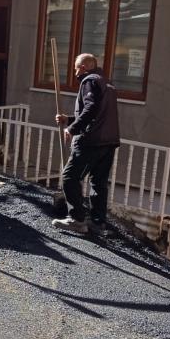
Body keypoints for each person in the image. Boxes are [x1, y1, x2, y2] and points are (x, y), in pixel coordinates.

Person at [52, 53, 120, 235]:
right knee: (98, 182)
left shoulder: (89, 81)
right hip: (109, 141)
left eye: (75, 68)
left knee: (69, 177)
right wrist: (69, 119)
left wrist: (72, 129)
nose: (75, 72)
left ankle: (77, 220)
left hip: (91, 140)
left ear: (82, 67)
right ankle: (98, 223)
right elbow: (98, 113)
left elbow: (90, 109)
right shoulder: (107, 83)